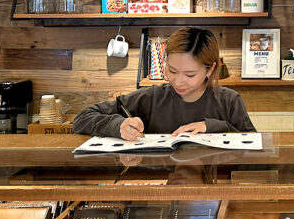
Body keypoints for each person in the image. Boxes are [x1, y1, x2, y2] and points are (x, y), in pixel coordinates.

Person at [73, 26, 256, 140]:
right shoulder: (152, 98)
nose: (178, 81)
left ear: (209, 70)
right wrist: (116, 125)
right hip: (159, 183)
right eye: (172, 71)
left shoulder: (229, 101)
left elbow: (253, 145)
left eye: (190, 75)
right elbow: (82, 119)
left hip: (215, 184)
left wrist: (213, 127)